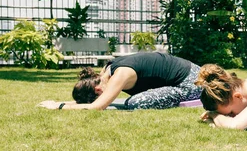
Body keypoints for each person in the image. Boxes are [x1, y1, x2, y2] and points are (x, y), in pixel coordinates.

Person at [38, 52, 203, 110]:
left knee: (137, 102)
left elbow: (96, 107)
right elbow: (96, 101)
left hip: (194, 84)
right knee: (131, 101)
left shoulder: (120, 74)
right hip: (194, 75)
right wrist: (64, 102)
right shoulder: (106, 72)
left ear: (97, 91)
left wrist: (59, 107)